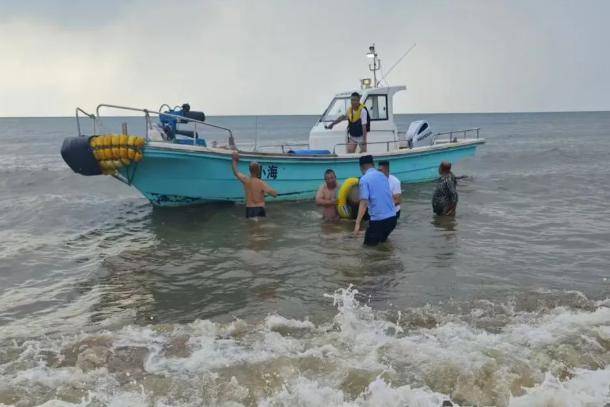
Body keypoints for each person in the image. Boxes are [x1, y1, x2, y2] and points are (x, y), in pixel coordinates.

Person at [354, 155, 397, 246]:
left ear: (361, 167)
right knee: (382, 245)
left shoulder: (364, 179)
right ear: (373, 164)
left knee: (367, 250)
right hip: (392, 219)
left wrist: (357, 223)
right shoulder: (383, 175)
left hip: (379, 221)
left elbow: (364, 202)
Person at [231, 151, 278, 218]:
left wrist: (234, 160)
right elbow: (274, 194)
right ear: (259, 171)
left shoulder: (245, 180)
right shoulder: (261, 183)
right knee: (260, 227)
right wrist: (274, 192)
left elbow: (235, 172)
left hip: (249, 209)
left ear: (250, 170)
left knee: (251, 226)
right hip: (259, 209)